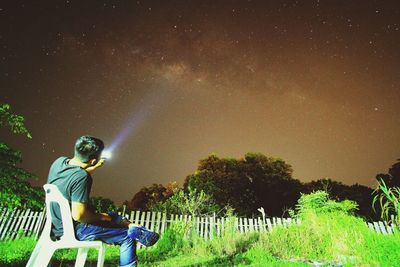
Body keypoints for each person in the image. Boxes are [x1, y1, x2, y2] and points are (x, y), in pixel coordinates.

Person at [47, 135, 138, 267]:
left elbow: (75, 174)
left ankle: (132, 225)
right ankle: (133, 229)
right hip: (75, 229)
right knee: (128, 236)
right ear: (93, 160)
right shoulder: (82, 177)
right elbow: (79, 215)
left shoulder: (59, 162)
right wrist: (102, 217)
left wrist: (93, 167)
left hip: (57, 225)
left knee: (114, 216)